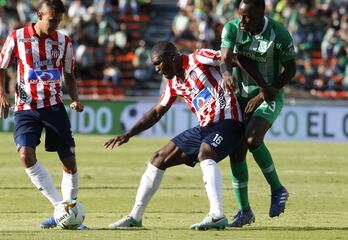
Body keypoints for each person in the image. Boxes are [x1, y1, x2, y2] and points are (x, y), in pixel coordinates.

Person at [104, 41, 243, 230]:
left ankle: (217, 214)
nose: (157, 70)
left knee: (206, 152)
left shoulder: (199, 58)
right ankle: (134, 218)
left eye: (158, 63)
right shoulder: (174, 83)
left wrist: (255, 86)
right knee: (158, 158)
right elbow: (156, 113)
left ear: (172, 58)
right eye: (154, 65)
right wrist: (129, 134)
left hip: (229, 121)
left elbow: (231, 58)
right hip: (205, 128)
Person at [0, 0, 86, 229]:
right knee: (26, 156)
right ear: (39, 14)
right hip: (26, 108)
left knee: (69, 162)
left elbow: (69, 73)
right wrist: (1, 94)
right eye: (52, 20)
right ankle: (61, 210)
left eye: (59, 21)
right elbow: (1, 66)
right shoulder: (16, 37)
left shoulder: (63, 41)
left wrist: (75, 98)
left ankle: (69, 212)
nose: (55, 25)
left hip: (54, 106)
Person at [220, 0, 297, 227]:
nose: (243, 22)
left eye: (248, 18)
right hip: (241, 96)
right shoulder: (232, 28)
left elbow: (291, 69)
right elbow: (227, 59)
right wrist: (226, 75)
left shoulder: (279, 34)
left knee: (253, 138)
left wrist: (267, 92)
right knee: (236, 152)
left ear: (261, 13)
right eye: (241, 16)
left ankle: (277, 189)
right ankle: (244, 211)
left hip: (270, 95)